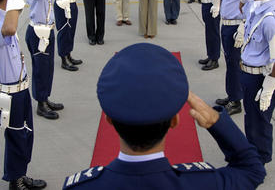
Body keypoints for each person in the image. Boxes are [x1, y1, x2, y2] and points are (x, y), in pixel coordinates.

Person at [62, 43, 266, 190]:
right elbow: (252, 170)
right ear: (174, 121)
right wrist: (216, 121)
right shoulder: (204, 183)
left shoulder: (80, 186)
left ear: (109, 120)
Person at [0, 0, 47, 190]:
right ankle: (14, 180)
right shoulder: (4, 20)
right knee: (18, 135)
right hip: (9, 91)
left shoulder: (4, 14)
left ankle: (20, 173)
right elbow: (9, 28)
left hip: (19, 86)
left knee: (25, 132)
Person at [240, 0, 275, 165]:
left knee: (260, 121)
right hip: (248, 73)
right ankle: (252, 151)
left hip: (261, 77)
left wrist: (269, 86)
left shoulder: (270, 19)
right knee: (251, 118)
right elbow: (243, 10)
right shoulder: (256, 5)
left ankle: (260, 159)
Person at [25, 0, 64, 120]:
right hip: (37, 32)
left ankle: (45, 98)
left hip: (47, 30)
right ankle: (41, 104)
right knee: (41, 69)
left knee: (48, 68)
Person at [215, 0, 252, 115]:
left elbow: (251, 6)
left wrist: (243, 27)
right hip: (227, 24)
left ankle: (236, 101)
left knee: (235, 64)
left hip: (236, 27)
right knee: (230, 63)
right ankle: (232, 96)